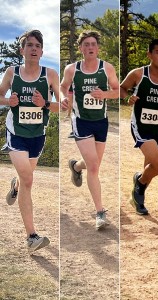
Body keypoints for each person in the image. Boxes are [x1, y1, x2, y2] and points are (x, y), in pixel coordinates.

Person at [0, 29, 59, 254]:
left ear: (42, 51)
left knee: (24, 179)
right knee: (29, 179)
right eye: (29, 45)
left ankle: (14, 184)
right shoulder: (12, 73)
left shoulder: (50, 75)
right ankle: (31, 237)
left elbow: (62, 106)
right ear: (22, 50)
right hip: (16, 133)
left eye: (37, 46)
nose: (33, 49)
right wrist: (8, 100)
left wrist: (44, 103)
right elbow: (0, 96)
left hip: (38, 135)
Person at [60, 30, 119, 229]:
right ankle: (100, 212)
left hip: (101, 121)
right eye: (86, 44)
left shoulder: (107, 68)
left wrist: (104, 94)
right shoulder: (72, 69)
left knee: (93, 164)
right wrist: (63, 98)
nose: (90, 47)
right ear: (81, 48)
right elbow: (62, 87)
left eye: (93, 44)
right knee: (94, 167)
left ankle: (76, 167)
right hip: (81, 120)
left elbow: (118, 91)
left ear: (98, 47)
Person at [120, 39, 158, 215]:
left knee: (150, 169)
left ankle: (138, 196)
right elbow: (122, 88)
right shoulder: (138, 74)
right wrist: (126, 98)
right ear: (149, 55)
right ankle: (138, 184)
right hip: (141, 126)